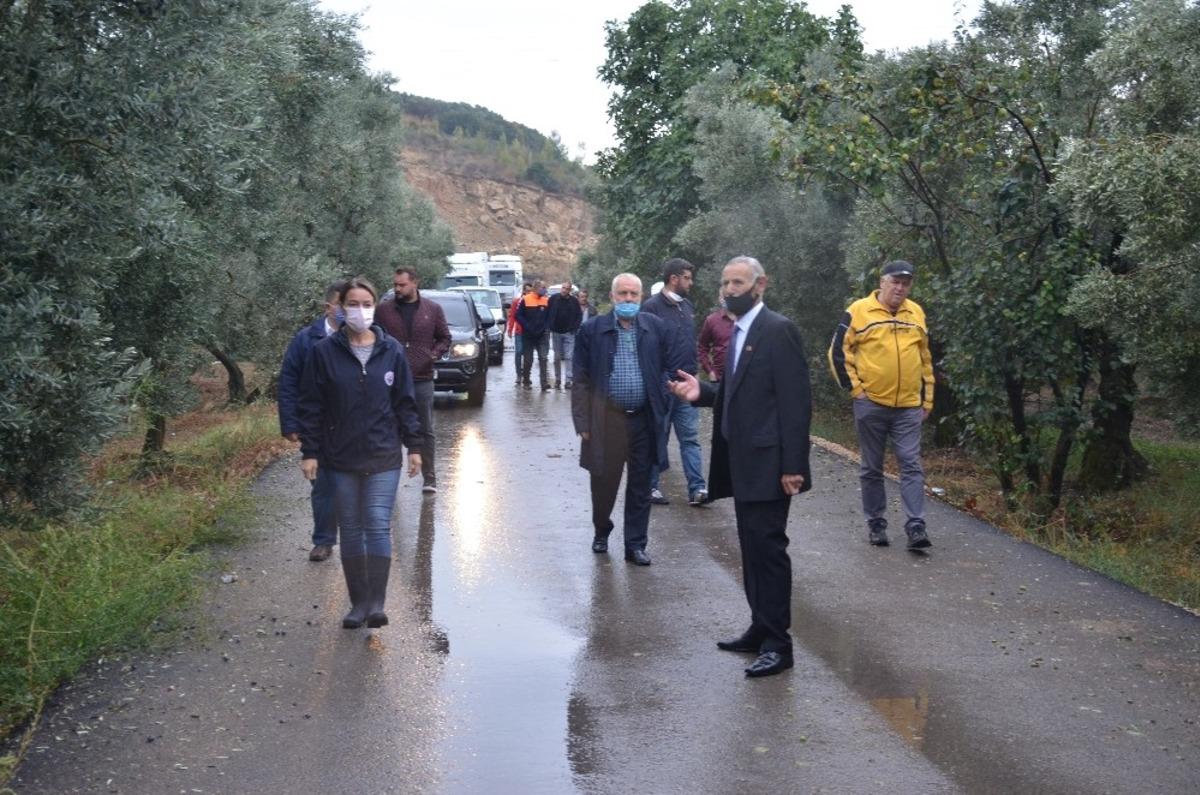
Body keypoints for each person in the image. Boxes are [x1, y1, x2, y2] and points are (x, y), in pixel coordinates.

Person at [669, 256, 812, 678]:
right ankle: (759, 627)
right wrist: (703, 393)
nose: (730, 289)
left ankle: (778, 644)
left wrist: (793, 466)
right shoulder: (737, 332)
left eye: (739, 282)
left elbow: (796, 403)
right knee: (750, 550)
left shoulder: (778, 330)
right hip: (740, 461)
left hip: (771, 466)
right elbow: (736, 393)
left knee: (768, 551)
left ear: (760, 285)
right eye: (726, 282)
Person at [297, 277, 423, 629]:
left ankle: (377, 605)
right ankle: (358, 605)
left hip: (383, 455)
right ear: (339, 308)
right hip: (340, 457)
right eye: (352, 304)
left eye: (367, 304)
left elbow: (406, 403)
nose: (360, 311)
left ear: (375, 307)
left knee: (377, 524)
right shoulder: (323, 353)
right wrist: (310, 452)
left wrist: (414, 447)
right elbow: (311, 406)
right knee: (351, 529)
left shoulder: (392, 350)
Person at [573, 273, 679, 566]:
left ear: (642, 297)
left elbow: (669, 368)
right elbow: (580, 378)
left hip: (643, 420)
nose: (629, 299)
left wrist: (663, 402)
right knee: (604, 483)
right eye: (623, 294)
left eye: (634, 294)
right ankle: (601, 530)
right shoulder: (593, 330)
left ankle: (635, 545)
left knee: (640, 485)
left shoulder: (655, 328)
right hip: (606, 421)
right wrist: (582, 422)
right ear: (612, 297)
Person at [828, 260, 933, 550]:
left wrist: (928, 397)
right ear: (882, 282)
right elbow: (838, 352)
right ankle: (876, 524)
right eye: (895, 281)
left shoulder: (916, 312)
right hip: (871, 404)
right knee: (872, 467)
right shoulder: (858, 311)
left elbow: (925, 358)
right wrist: (857, 390)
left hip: (910, 406)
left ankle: (916, 526)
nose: (900, 287)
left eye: (906, 283)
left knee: (911, 465)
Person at [278, 279, 347, 562]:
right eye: (345, 305)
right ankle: (324, 540)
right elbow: (288, 383)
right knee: (322, 486)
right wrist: (290, 424)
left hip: (354, 424)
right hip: (316, 425)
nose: (351, 311)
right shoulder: (305, 340)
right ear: (328, 307)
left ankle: (361, 539)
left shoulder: (365, 337)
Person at [377, 267, 452, 494]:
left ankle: (429, 477)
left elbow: (445, 337)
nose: (397, 288)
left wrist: (432, 355)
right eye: (395, 285)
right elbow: (374, 336)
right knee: (389, 429)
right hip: (390, 380)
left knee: (425, 429)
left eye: (402, 285)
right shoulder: (383, 311)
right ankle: (388, 478)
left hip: (422, 378)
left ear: (414, 283)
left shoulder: (432, 309)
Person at [641, 258, 707, 507]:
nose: (691, 282)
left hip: (687, 385)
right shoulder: (651, 307)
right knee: (658, 436)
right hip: (663, 385)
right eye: (687, 278)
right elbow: (647, 347)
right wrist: (659, 380)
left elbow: (692, 343)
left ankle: (698, 489)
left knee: (690, 438)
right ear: (674, 278)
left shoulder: (687, 306)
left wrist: (695, 374)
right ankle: (651, 486)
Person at [516, 279, 551, 390]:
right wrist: (527, 326)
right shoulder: (525, 299)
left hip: (542, 335)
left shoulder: (546, 301)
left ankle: (544, 383)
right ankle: (526, 381)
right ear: (536, 288)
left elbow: (548, 317)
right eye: (542, 287)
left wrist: (545, 327)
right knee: (528, 359)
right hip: (528, 335)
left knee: (543, 358)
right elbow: (518, 315)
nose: (544, 290)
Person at [547, 279, 582, 389]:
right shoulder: (553, 299)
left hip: (569, 333)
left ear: (570, 290)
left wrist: (574, 328)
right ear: (561, 288)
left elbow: (579, 316)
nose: (564, 290)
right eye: (563, 288)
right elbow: (547, 313)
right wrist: (550, 326)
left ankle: (568, 380)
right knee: (557, 357)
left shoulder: (574, 301)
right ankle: (558, 380)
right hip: (556, 332)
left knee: (569, 357)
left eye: (567, 289)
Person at [697, 302, 736, 383]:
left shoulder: (748, 319)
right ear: (720, 298)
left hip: (745, 379)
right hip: (719, 380)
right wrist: (710, 371)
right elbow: (702, 347)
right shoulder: (712, 320)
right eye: (724, 295)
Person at [506, 282, 532, 386]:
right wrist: (510, 329)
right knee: (518, 352)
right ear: (524, 291)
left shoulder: (533, 302)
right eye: (527, 291)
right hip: (519, 331)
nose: (528, 293)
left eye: (530, 291)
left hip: (530, 332)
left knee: (527, 355)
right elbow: (512, 316)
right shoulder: (517, 301)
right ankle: (518, 375)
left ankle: (526, 375)